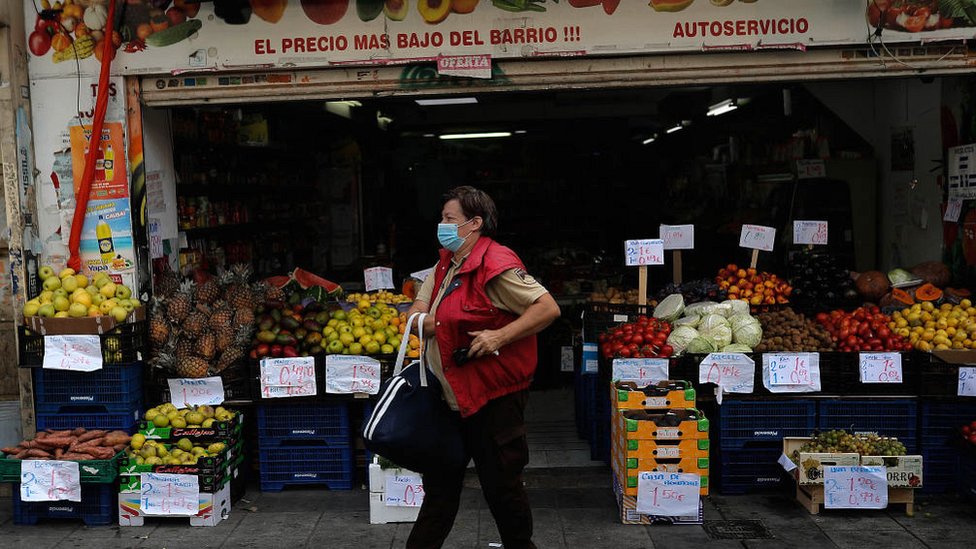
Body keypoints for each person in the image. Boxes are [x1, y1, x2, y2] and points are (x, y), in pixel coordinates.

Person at [405, 186, 561, 549]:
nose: (441, 225)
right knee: (440, 488)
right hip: (449, 397)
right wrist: (433, 322)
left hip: (493, 400)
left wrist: (499, 336)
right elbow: (417, 310)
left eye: (449, 219)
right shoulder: (446, 262)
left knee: (502, 487)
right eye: (441, 218)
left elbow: (547, 308)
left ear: (474, 223)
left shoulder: (497, 265)